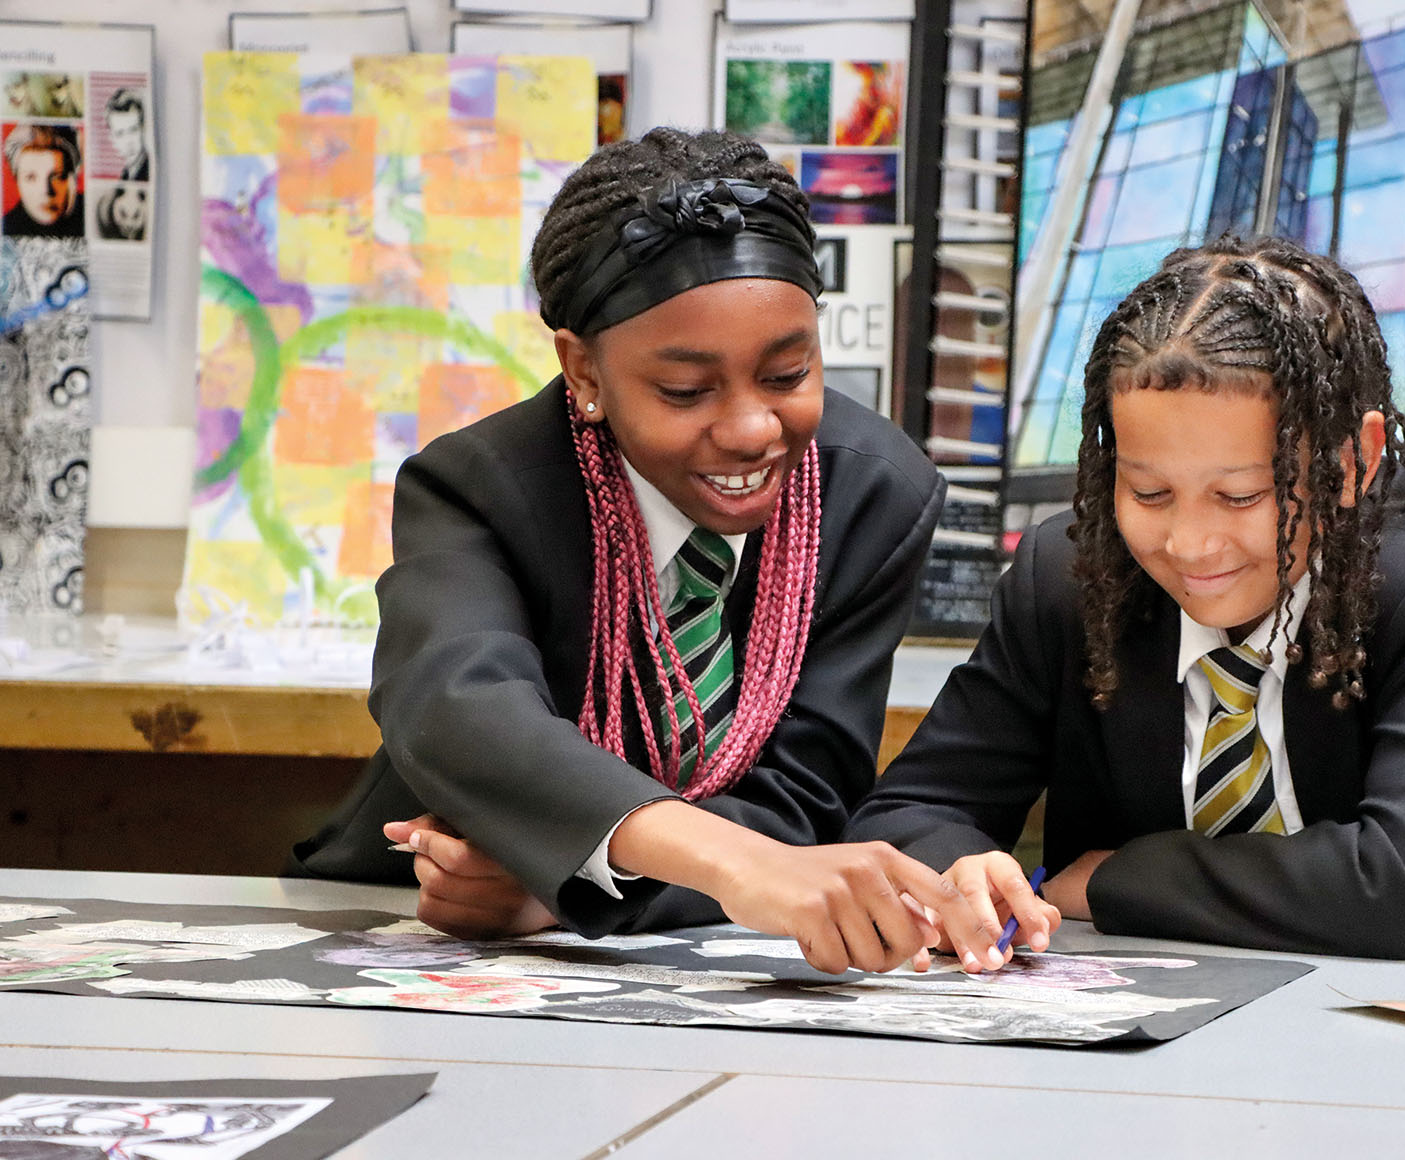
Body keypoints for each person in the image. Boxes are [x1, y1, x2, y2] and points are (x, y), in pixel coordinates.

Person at [292, 127, 1009, 976]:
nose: (752, 429)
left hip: (674, 943)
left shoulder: (872, 496)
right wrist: (729, 865)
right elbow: (457, 709)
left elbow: (803, 799)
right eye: (685, 390)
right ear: (583, 371)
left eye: (788, 375)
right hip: (428, 915)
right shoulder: (481, 486)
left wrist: (572, 887)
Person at [846, 234, 1405, 960]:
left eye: (1241, 495)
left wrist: (1116, 878)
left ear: (1353, 461)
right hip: (1148, 1019)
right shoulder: (1070, 576)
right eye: (1149, 491)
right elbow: (909, 813)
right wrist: (957, 871)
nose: (1191, 543)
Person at [2, 125, 82, 239]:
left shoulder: (89, 216)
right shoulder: (6, 229)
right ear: (17, 180)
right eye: (30, 177)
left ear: (72, 178)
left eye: (57, 176)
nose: (46, 190)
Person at [106, 89, 150, 182]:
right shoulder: (126, 175)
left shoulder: (149, 171)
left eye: (133, 130)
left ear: (143, 128)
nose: (128, 141)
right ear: (112, 138)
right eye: (120, 133)